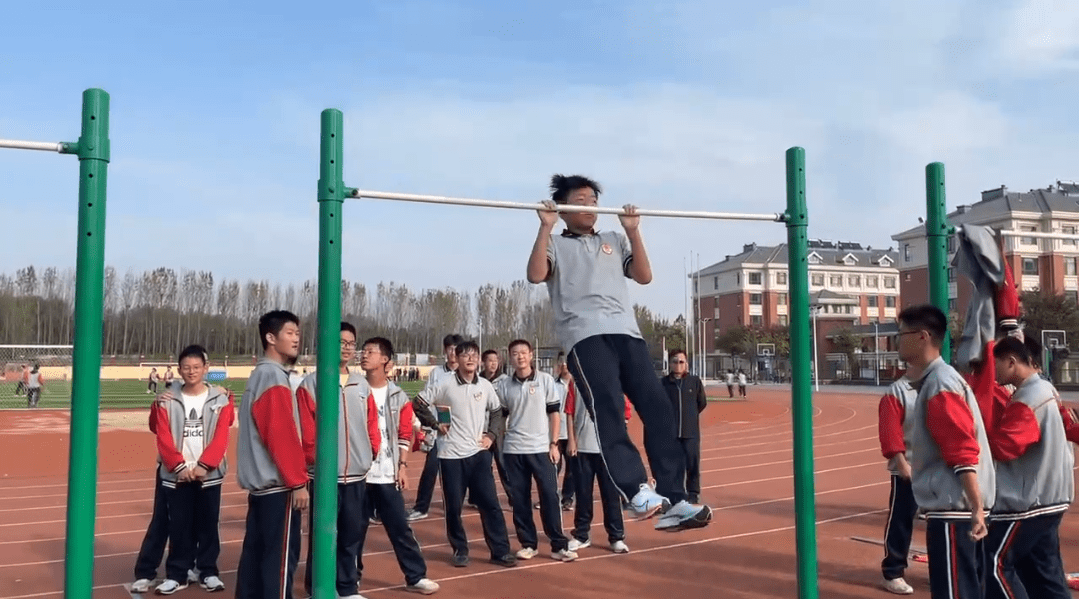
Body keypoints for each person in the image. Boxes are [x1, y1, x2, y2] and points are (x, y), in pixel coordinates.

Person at [526, 174, 711, 531]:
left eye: (594, 201)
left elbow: (643, 276)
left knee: (659, 409)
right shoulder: (555, 243)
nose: (590, 208)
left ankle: (674, 498)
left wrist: (633, 231)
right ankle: (636, 491)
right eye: (581, 201)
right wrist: (545, 228)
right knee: (608, 406)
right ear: (564, 209)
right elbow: (536, 275)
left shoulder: (613, 239)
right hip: (585, 337)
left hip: (628, 334)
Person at [895, 305, 994, 599]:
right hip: (957, 508)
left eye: (902, 335)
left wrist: (976, 507)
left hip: (955, 510)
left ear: (922, 336)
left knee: (955, 591)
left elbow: (960, 448)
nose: (897, 341)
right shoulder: (941, 380)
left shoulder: (940, 384)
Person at [984, 336, 1073, 599]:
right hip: (1051, 497)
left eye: (996, 364)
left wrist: (977, 437)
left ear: (1011, 362)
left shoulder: (1027, 400)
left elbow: (1006, 447)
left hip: (1027, 503)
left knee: (993, 562)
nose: (994, 371)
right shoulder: (1046, 390)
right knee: (1043, 571)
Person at [415, 340, 516, 569]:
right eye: (465, 355)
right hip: (451, 455)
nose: (470, 359)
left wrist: (491, 435)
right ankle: (460, 549)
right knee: (453, 507)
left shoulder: (485, 386)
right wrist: (434, 424)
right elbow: (419, 403)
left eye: (474, 355)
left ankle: (500, 551)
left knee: (490, 504)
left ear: (479, 359)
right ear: (457, 359)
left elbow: (498, 411)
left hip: (479, 454)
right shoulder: (445, 383)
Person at [295, 322, 379, 599]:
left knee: (351, 534)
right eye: (340, 342)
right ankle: (317, 588)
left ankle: (346, 587)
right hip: (323, 476)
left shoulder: (361, 384)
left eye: (351, 343)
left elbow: (371, 424)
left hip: (356, 474)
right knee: (322, 535)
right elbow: (306, 430)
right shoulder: (311, 384)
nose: (346, 348)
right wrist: (314, 462)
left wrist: (371, 452)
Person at [355, 336, 440, 595]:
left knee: (400, 528)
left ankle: (415, 576)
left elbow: (405, 432)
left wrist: (402, 465)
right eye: (364, 350)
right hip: (359, 473)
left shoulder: (397, 395)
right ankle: (350, 579)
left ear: (386, 361)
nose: (364, 355)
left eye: (371, 351)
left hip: (387, 473)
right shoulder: (353, 389)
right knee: (354, 529)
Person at [235, 310, 311, 599]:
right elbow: (280, 434)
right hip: (277, 488)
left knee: (255, 559)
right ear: (270, 337)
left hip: (262, 490)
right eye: (290, 333)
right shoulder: (272, 377)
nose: (296, 339)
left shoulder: (261, 375)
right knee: (278, 564)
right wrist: (298, 481)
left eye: (297, 333)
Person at [148, 345, 234, 594]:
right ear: (179, 370)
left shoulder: (221, 398)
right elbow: (162, 435)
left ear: (206, 369)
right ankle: (177, 574)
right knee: (179, 526)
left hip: (209, 475)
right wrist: (179, 466)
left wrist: (205, 465)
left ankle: (207, 571)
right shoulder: (167, 399)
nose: (192, 371)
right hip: (178, 475)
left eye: (197, 367)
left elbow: (221, 436)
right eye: (186, 367)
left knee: (209, 524)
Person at [495, 339, 577, 562]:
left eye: (523, 352)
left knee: (550, 496)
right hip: (514, 451)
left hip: (542, 449)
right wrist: (500, 440)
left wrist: (554, 444)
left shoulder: (545, 381)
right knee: (520, 500)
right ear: (509, 357)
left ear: (531, 355)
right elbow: (500, 417)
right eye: (514, 353)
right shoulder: (504, 386)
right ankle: (528, 543)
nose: (519, 356)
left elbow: (555, 414)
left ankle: (558, 544)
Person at [564, 374, 630, 554]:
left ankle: (616, 537)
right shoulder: (575, 381)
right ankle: (581, 535)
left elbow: (625, 414)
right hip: (582, 447)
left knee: (611, 495)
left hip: (607, 449)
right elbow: (569, 412)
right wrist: (571, 439)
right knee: (583, 494)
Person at [408, 333, 465, 522]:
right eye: (449, 349)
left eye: (456, 350)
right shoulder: (437, 374)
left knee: (461, 472)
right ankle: (421, 507)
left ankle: (456, 506)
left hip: (461, 430)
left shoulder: (467, 373)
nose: (452, 353)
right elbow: (427, 401)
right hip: (440, 429)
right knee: (431, 469)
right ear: (445, 351)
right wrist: (430, 426)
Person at [876, 373, 920, 595]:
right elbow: (890, 431)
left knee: (940, 522)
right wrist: (903, 465)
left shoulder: (941, 383)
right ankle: (893, 571)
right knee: (901, 518)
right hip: (908, 467)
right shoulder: (898, 391)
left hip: (937, 468)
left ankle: (941, 566)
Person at [660, 349, 707, 505]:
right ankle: (676, 493)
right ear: (670, 364)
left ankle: (693, 492)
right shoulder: (664, 383)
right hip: (671, 433)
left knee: (692, 464)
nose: (678, 365)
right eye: (675, 361)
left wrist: (691, 417)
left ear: (686, 364)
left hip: (690, 432)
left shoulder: (694, 382)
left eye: (681, 362)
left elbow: (702, 403)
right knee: (674, 466)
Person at [480, 349, 512, 509]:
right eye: (489, 360)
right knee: (482, 466)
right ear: (483, 362)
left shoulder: (505, 381)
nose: (493, 363)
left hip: (499, 430)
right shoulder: (477, 380)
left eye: (495, 360)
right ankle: (482, 498)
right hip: (481, 429)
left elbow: (508, 405)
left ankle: (513, 497)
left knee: (503, 464)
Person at [552, 353, 575, 511]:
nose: (564, 364)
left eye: (567, 361)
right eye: (562, 361)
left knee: (572, 469)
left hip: (573, 433)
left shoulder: (579, 384)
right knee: (554, 466)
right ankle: (551, 497)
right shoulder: (552, 384)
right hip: (556, 433)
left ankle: (567, 498)